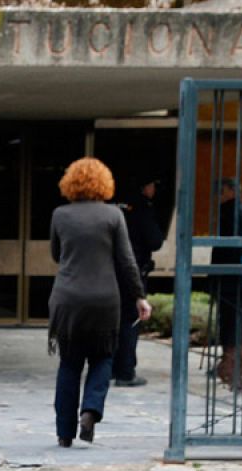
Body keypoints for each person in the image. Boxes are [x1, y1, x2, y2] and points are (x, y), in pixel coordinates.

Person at [47, 157, 149, 447]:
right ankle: (90, 411)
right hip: (105, 300)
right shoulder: (113, 216)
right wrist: (139, 296)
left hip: (67, 300)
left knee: (69, 364)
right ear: (105, 183)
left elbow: (57, 254)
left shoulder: (60, 215)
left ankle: (64, 432)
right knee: (103, 359)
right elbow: (127, 262)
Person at [210, 177, 242, 389]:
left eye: (221, 192)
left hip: (232, 277)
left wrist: (215, 275)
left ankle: (232, 364)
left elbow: (227, 248)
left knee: (231, 321)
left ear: (231, 191)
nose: (219, 196)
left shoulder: (231, 212)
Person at [113, 177, 165, 387]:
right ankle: (125, 371)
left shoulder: (116, 206)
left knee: (112, 321)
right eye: (153, 185)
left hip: (109, 271)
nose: (154, 190)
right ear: (145, 187)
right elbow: (154, 240)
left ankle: (108, 368)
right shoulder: (143, 208)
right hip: (133, 270)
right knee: (130, 320)